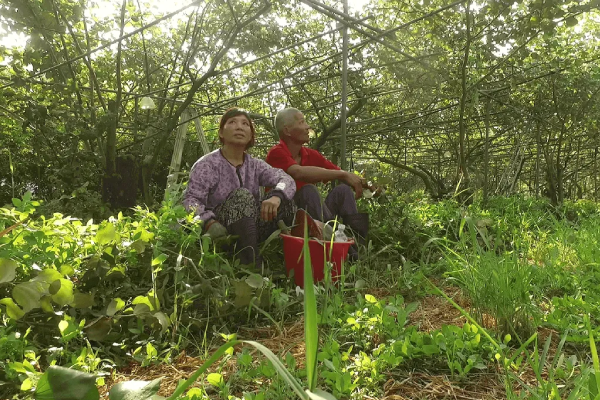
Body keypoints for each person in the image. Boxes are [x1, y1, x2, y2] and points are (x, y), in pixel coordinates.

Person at [183, 108, 296, 269]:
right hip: (221, 230)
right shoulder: (207, 164)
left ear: (250, 135)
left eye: (245, 124)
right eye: (232, 122)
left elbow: (286, 179)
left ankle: (294, 258)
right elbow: (191, 199)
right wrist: (208, 221)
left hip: (252, 228)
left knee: (286, 202)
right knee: (242, 196)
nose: (239, 127)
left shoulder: (255, 165)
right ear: (221, 133)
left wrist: (276, 196)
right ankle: (251, 265)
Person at [266, 108, 370, 254]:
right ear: (287, 130)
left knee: (343, 190)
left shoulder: (310, 154)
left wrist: (365, 185)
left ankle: (357, 245)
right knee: (308, 191)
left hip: (315, 218)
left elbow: (339, 174)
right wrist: (343, 174)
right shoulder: (277, 153)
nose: (308, 126)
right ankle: (343, 248)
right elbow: (298, 172)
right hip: (286, 219)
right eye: (302, 122)